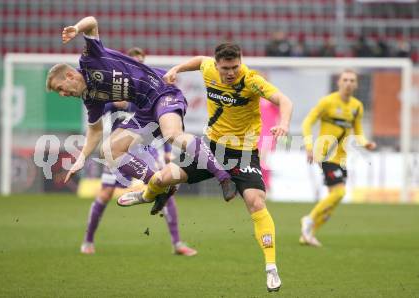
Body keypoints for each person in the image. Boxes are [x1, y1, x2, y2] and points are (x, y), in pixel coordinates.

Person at [121, 43, 293, 292]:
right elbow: (199, 60)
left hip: (243, 154)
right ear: (217, 64)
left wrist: (284, 124)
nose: (231, 73)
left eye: (235, 67)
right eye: (226, 68)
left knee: (256, 202)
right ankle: (146, 195)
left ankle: (271, 268)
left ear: (240, 62)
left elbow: (283, 100)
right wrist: (177, 69)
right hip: (210, 149)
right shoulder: (208, 68)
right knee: (162, 178)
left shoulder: (252, 81)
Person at [45, 16, 237, 204]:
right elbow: (95, 130)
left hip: (162, 91)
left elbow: (92, 22)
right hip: (145, 110)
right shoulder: (90, 97)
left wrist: (77, 29)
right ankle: (159, 186)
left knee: (173, 134)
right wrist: (81, 159)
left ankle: (223, 177)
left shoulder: (89, 60)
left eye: (60, 88)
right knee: (109, 150)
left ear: (70, 75)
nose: (62, 94)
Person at [80, 48, 197, 257]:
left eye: (140, 61)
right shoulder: (113, 92)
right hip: (119, 149)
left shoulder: (149, 89)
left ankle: (177, 243)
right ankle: (88, 240)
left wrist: (169, 150)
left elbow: (164, 119)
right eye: (134, 61)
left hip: (146, 149)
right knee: (105, 193)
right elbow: (97, 115)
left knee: (163, 187)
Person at [300, 69, 377, 247]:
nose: (348, 83)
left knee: (333, 200)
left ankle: (308, 235)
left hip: (341, 157)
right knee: (340, 192)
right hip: (325, 154)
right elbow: (307, 122)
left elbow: (358, 132)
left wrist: (366, 144)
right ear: (339, 83)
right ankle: (309, 220)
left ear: (356, 85)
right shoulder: (327, 102)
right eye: (345, 80)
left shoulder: (357, 106)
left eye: (352, 80)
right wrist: (309, 146)